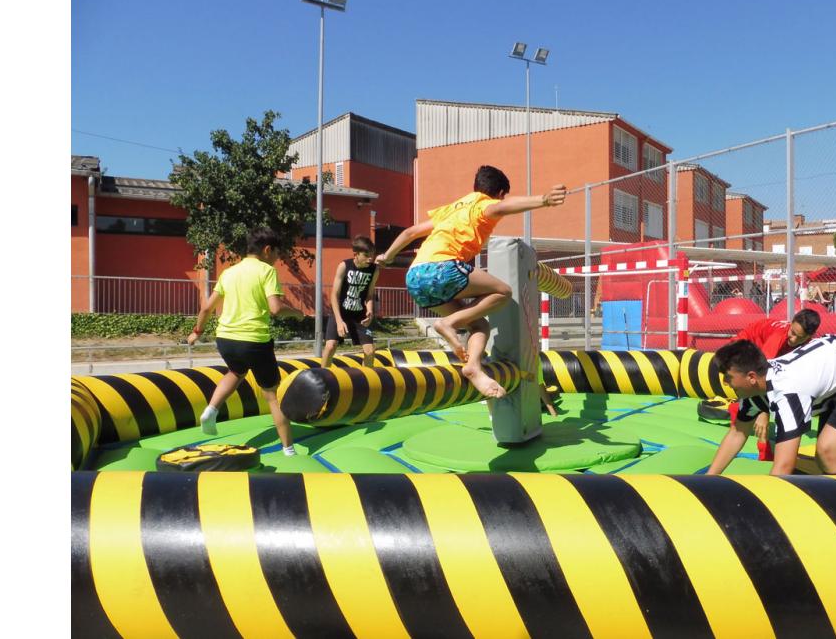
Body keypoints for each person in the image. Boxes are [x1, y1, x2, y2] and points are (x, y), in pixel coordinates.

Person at [376, 165, 567, 398]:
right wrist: (543, 200)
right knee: (503, 292)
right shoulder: (483, 205)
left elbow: (409, 233)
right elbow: (503, 207)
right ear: (499, 192)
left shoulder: (450, 210)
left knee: (479, 325)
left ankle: (473, 366)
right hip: (443, 268)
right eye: (502, 195)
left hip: (415, 278)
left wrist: (388, 256)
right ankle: (449, 323)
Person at [705, 335, 836, 476]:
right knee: (826, 456)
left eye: (728, 378)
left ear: (751, 377)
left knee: (829, 451)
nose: (725, 383)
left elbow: (784, 466)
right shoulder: (757, 389)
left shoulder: (788, 392)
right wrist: (709, 481)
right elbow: (737, 433)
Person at [186, 228, 307, 455]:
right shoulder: (266, 271)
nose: (278, 259)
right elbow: (276, 308)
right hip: (253, 340)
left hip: (226, 339)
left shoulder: (229, 273)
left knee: (235, 372)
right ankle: (288, 449)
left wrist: (197, 332)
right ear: (267, 250)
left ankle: (211, 410)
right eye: (277, 254)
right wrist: (297, 313)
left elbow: (206, 308)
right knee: (272, 395)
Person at [724, 308, 821, 459]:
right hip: (746, 343)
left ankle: (741, 412)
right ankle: (762, 448)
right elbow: (762, 377)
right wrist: (764, 412)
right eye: (792, 332)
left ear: (809, 336)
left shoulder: (810, 347)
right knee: (748, 387)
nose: (793, 339)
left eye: (799, 337)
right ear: (791, 323)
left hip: (766, 355)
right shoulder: (778, 338)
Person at [321, 236, 380, 368]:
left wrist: (370, 310)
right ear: (356, 254)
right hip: (340, 313)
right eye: (366, 255)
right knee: (331, 346)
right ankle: (322, 378)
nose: (370, 258)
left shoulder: (374, 270)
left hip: (359, 315)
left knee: (370, 351)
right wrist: (339, 321)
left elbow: (369, 295)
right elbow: (334, 295)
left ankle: (367, 381)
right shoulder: (344, 266)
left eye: (372, 255)